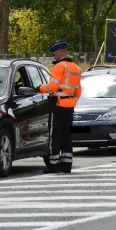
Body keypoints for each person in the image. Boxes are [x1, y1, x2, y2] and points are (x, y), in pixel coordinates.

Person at [39, 39, 82, 173]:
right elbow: (78, 90)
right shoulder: (76, 68)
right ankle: (66, 165)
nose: (54, 57)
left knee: (55, 135)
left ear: (59, 52)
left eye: (54, 54)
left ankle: (54, 165)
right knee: (67, 135)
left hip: (57, 104)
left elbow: (53, 86)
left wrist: (39, 88)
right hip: (70, 106)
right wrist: (73, 101)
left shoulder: (59, 67)